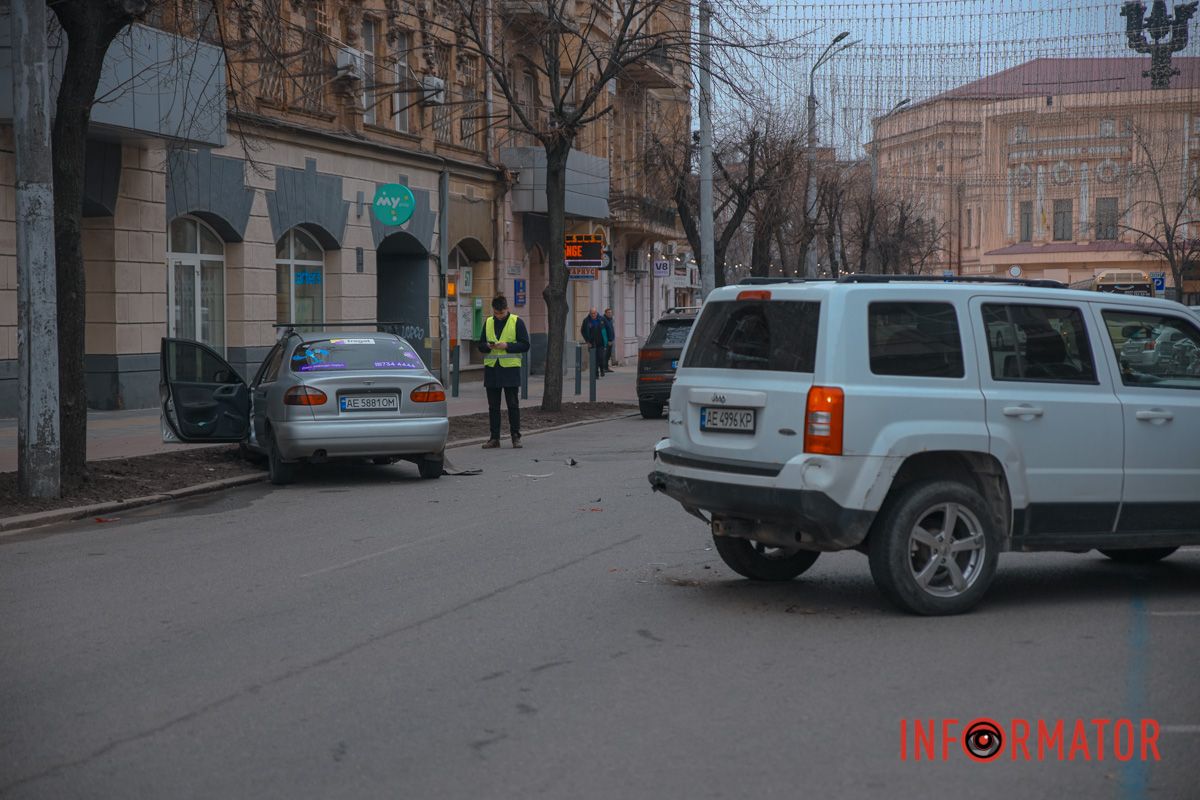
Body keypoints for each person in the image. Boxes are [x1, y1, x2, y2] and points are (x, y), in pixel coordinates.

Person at [477, 295, 530, 448]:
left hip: (510, 369)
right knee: (493, 407)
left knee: (512, 404)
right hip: (492, 369)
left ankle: (515, 436)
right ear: (493, 310)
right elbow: (480, 345)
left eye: (502, 313)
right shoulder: (488, 322)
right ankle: (494, 438)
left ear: (507, 309)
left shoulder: (516, 321)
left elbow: (525, 345)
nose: (499, 316)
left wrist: (507, 346)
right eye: (496, 313)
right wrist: (487, 346)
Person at [580, 308, 607, 379]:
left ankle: (602, 369)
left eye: (594, 313)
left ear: (596, 313)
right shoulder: (586, 320)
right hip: (592, 343)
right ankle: (596, 374)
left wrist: (607, 340)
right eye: (592, 313)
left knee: (601, 358)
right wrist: (587, 341)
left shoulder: (602, 319)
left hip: (601, 342)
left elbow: (606, 329)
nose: (593, 315)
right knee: (594, 359)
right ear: (590, 313)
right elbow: (582, 331)